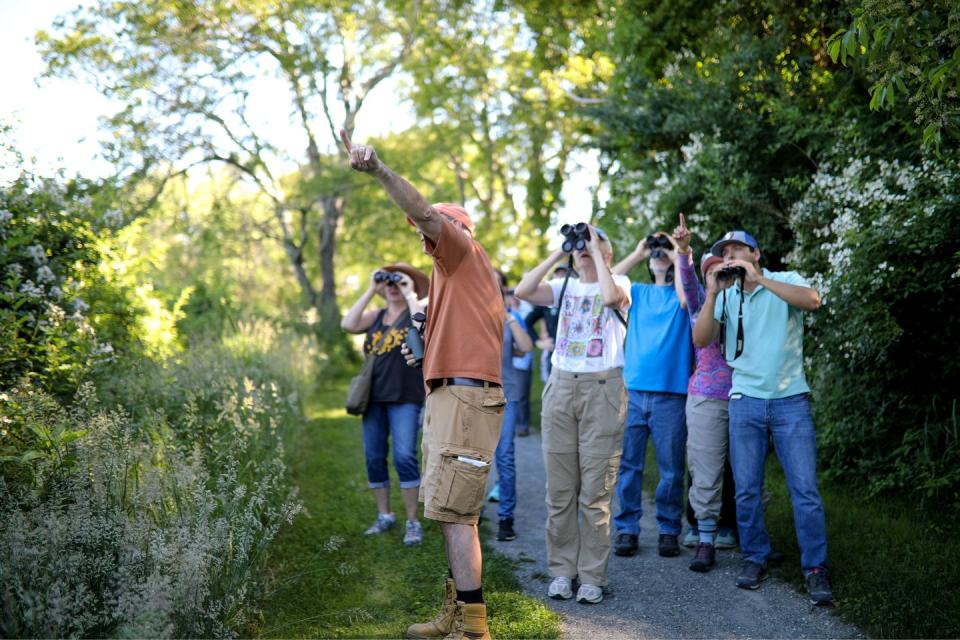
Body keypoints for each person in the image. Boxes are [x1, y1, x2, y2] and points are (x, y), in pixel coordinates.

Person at [341, 129, 505, 639]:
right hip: (449, 397)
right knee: (451, 513)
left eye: (427, 230)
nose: (420, 238)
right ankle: (455, 611)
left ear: (455, 230)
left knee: (457, 516)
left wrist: (380, 171)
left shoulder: (463, 253)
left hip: (466, 399)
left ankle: (473, 629)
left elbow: (425, 214)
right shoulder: (450, 284)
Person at [692, 230, 834, 605]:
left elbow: (813, 301)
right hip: (745, 400)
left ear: (755, 252)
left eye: (737, 249)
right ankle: (755, 558)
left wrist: (760, 280)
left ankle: (816, 569)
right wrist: (711, 293)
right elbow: (701, 338)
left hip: (791, 401)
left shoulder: (784, 279)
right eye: (724, 252)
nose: (730, 256)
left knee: (804, 490)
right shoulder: (726, 294)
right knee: (747, 489)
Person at [515, 225, 630, 605]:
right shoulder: (564, 288)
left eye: (595, 243)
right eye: (582, 244)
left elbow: (610, 296)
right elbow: (523, 291)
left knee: (595, 492)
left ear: (607, 252)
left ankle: (593, 575)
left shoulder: (622, 283)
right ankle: (562, 572)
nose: (585, 248)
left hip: (602, 388)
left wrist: (595, 250)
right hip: (562, 386)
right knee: (560, 492)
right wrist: (559, 253)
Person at [610, 231, 693, 559]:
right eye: (657, 250)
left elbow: (690, 297)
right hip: (632, 391)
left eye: (664, 250)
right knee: (628, 466)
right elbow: (609, 282)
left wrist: (676, 254)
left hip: (671, 394)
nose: (660, 253)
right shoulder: (639, 292)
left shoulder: (682, 294)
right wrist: (640, 251)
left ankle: (669, 528)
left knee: (671, 469)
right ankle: (627, 528)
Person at [340, 263, 430, 546]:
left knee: (404, 456)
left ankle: (413, 521)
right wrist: (370, 289)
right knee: (374, 457)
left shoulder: (418, 311)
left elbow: (423, 323)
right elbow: (348, 324)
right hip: (374, 398)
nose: (393, 287)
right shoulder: (377, 316)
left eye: (399, 282)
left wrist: (409, 292)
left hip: (406, 396)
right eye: (388, 283)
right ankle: (385, 516)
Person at [671, 215, 738, 572]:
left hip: (749, 396)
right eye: (713, 272)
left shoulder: (749, 302)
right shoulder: (700, 303)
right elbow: (687, 279)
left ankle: (754, 540)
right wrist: (684, 253)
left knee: (748, 474)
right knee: (706, 471)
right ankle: (706, 538)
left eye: (725, 272)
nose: (720, 276)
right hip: (707, 397)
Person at [490, 272, 534, 541]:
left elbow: (526, 347)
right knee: (473, 459)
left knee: (504, 455)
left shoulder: (511, 318)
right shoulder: (468, 314)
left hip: (506, 395)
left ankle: (506, 517)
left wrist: (506, 315)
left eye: (497, 282)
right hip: (473, 396)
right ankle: (468, 514)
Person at [524, 265, 568, 389]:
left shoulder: (578, 296)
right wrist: (538, 342)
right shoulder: (548, 300)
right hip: (554, 353)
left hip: (574, 354)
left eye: (564, 274)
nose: (560, 277)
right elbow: (527, 322)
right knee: (552, 391)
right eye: (558, 274)